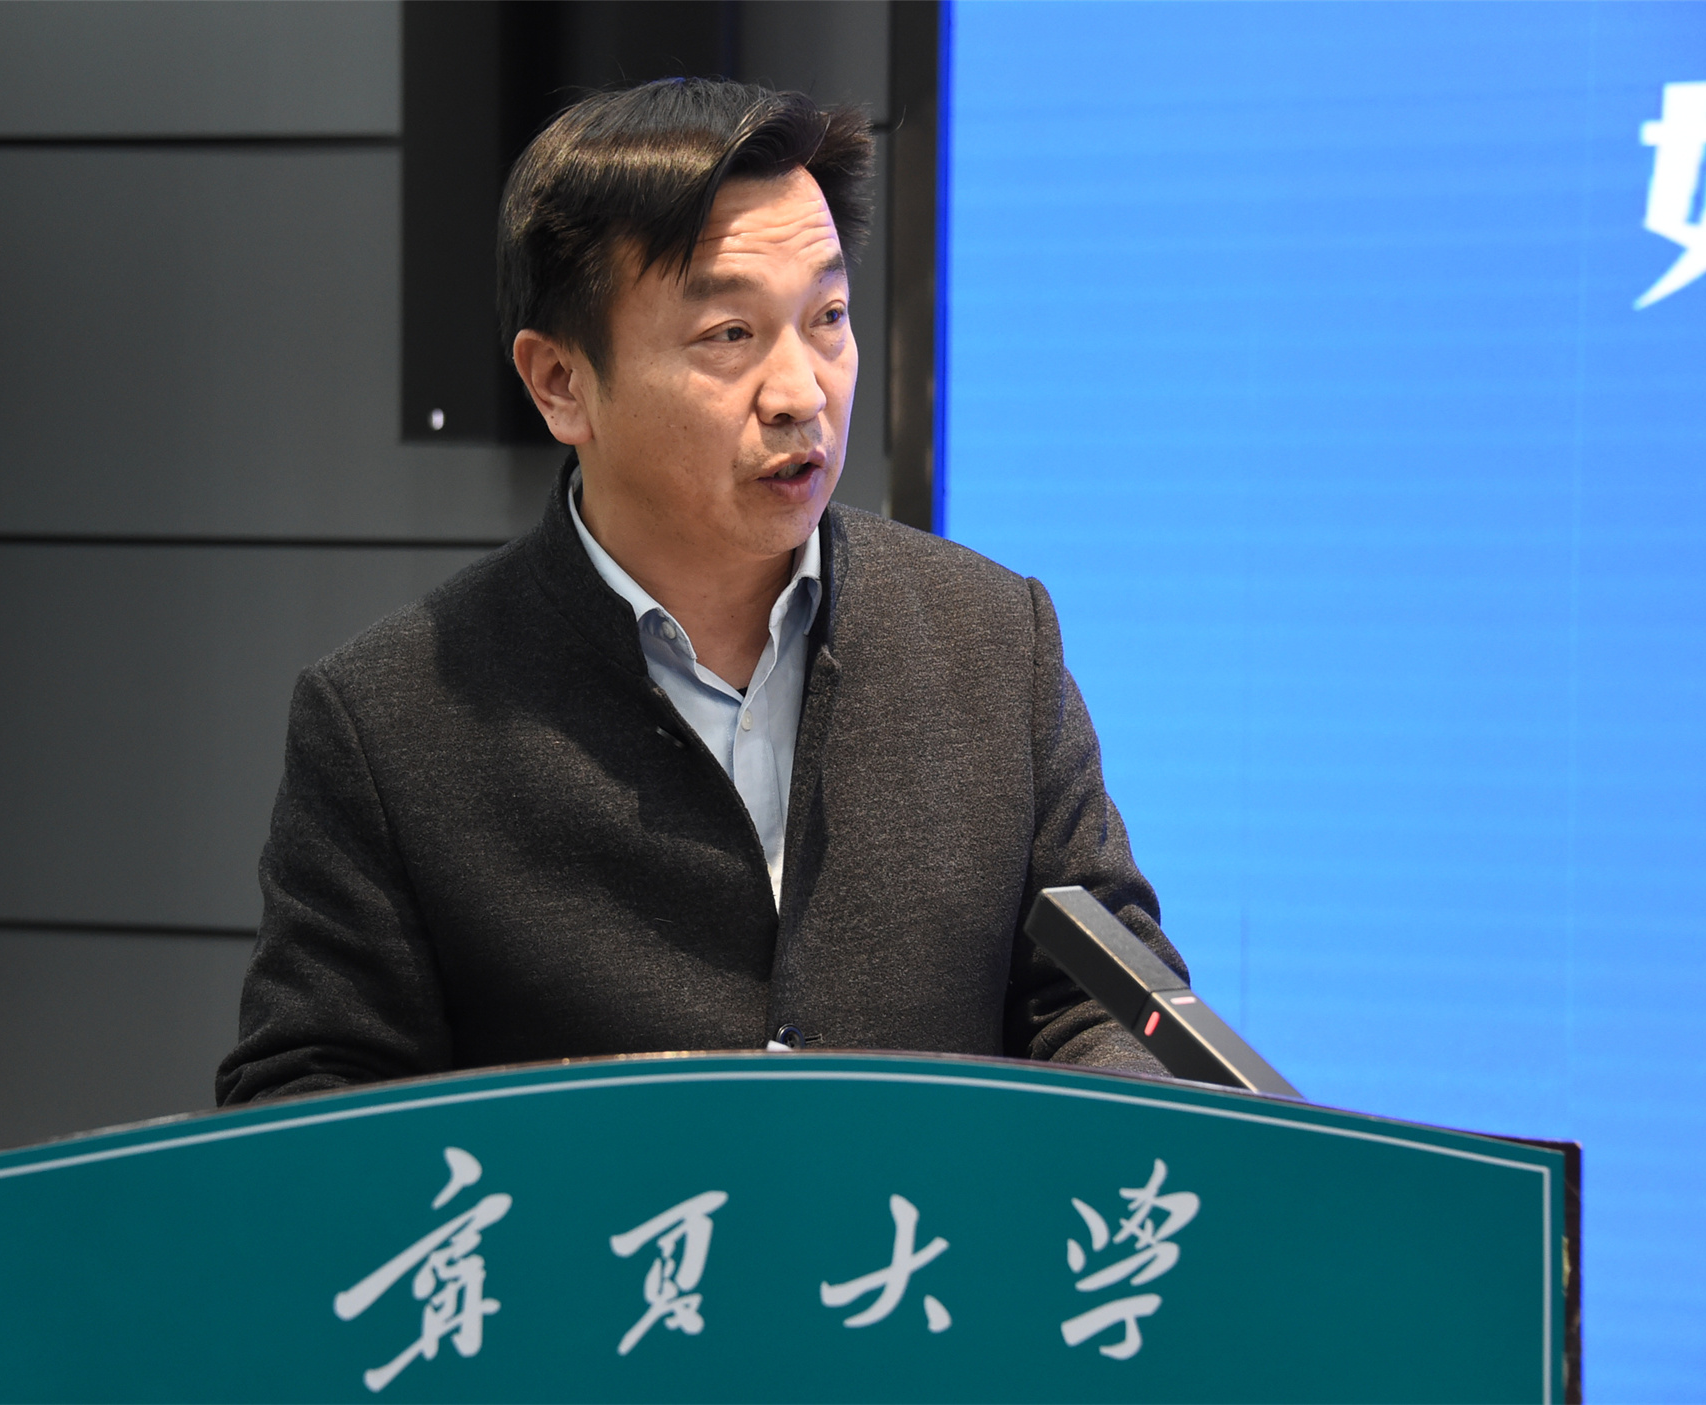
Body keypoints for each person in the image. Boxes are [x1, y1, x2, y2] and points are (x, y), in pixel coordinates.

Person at [216, 78, 1187, 1106]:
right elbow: (306, 1100)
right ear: (559, 383)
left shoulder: (992, 640)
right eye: (729, 334)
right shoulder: (389, 722)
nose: (802, 393)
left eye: (827, 316)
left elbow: (1105, 1006)